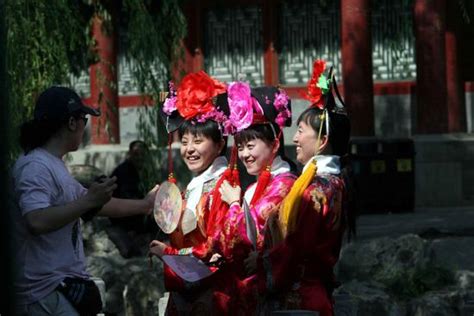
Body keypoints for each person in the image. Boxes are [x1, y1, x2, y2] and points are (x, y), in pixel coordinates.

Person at [11, 86, 158, 316]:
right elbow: (36, 220)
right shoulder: (35, 167)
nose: (85, 127)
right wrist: (88, 201)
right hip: (43, 294)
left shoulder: (53, 163)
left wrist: (146, 204)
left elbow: (99, 205)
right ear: (72, 123)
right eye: (84, 119)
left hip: (58, 289)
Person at [251, 60, 355, 315]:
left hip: (301, 298)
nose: (295, 138)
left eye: (300, 130)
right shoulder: (334, 182)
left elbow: (296, 248)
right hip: (315, 293)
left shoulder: (315, 191)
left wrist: (261, 262)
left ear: (322, 141)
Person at [148, 72, 234, 314]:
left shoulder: (223, 187)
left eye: (198, 141)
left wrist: (169, 253)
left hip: (212, 296)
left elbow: (218, 249)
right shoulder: (195, 185)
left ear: (219, 144)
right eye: (184, 141)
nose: (189, 150)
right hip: (186, 294)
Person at [216, 83, 297, 313]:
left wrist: (233, 203)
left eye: (250, 146)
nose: (243, 154)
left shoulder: (284, 184)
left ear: (275, 144)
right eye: (240, 147)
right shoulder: (254, 187)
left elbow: (240, 241)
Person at [108, 140, 156, 258]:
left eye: (142, 154)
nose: (139, 157)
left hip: (141, 210)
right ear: (130, 154)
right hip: (122, 214)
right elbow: (125, 197)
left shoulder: (146, 170)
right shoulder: (123, 172)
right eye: (136, 154)